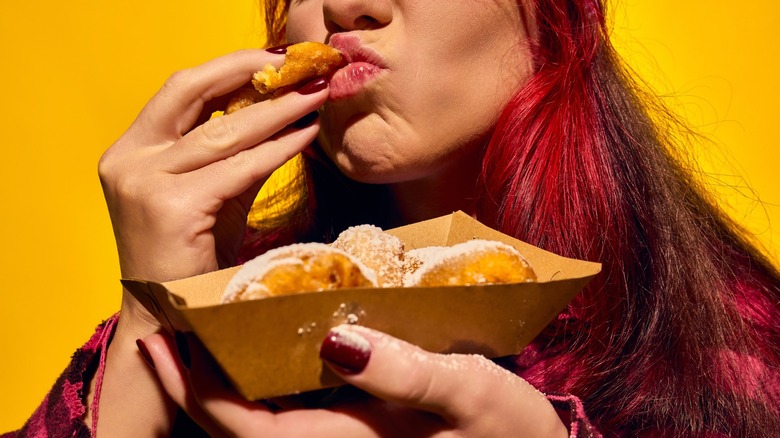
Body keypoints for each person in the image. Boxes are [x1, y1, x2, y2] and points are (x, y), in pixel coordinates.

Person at [6, 0, 780, 436]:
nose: (343, 5)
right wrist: (153, 322)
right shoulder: (243, 305)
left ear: (558, 16)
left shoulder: (736, 351)